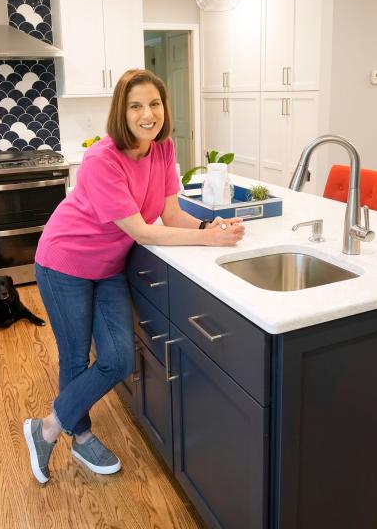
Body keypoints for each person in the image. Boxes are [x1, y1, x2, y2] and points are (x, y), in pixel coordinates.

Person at [23, 68, 245, 483]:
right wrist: (209, 243)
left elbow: (171, 213)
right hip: (64, 262)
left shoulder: (162, 149)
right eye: (136, 106)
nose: (148, 114)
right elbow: (141, 231)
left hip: (107, 267)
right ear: (121, 113)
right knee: (75, 356)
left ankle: (47, 428)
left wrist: (207, 228)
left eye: (155, 104)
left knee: (119, 359)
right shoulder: (101, 159)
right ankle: (83, 436)